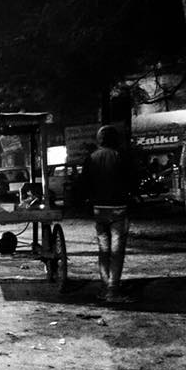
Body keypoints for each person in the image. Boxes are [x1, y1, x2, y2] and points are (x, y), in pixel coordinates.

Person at [79, 125, 139, 303]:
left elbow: (84, 184)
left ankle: (105, 287)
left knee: (103, 250)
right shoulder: (121, 156)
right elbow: (132, 181)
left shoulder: (91, 158)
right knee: (117, 251)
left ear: (99, 139)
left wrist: (89, 201)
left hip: (99, 210)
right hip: (119, 209)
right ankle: (113, 291)